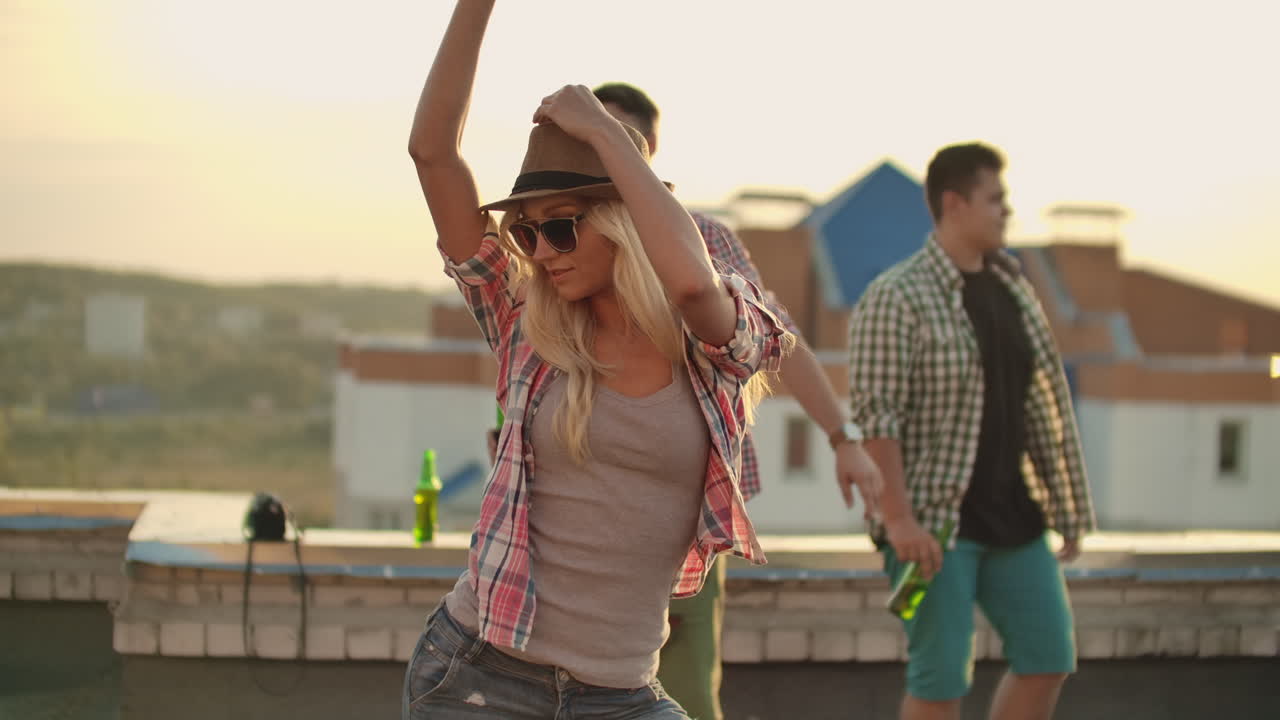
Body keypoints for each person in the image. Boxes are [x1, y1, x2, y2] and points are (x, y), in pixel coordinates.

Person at [403, 2, 792, 718]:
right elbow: (432, 153)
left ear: (618, 222)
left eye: (559, 228)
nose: (541, 253)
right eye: (526, 234)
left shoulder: (712, 347)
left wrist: (608, 136)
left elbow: (688, 283)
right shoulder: (527, 325)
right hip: (480, 679)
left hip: (621, 695)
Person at [592, 81, 884, 720]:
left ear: (644, 152)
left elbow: (780, 342)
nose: (599, 153)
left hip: (686, 522)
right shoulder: (558, 241)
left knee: (689, 700)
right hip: (588, 527)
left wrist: (843, 439)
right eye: (589, 138)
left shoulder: (700, 241)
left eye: (613, 139)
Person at [847, 142, 1096, 720]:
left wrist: (1064, 507)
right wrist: (899, 519)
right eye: (997, 199)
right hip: (928, 525)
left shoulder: (1014, 288)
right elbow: (877, 415)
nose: (1008, 211)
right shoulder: (897, 293)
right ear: (954, 203)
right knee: (938, 677)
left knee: (1050, 657)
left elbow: (1036, 407)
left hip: (1014, 517)